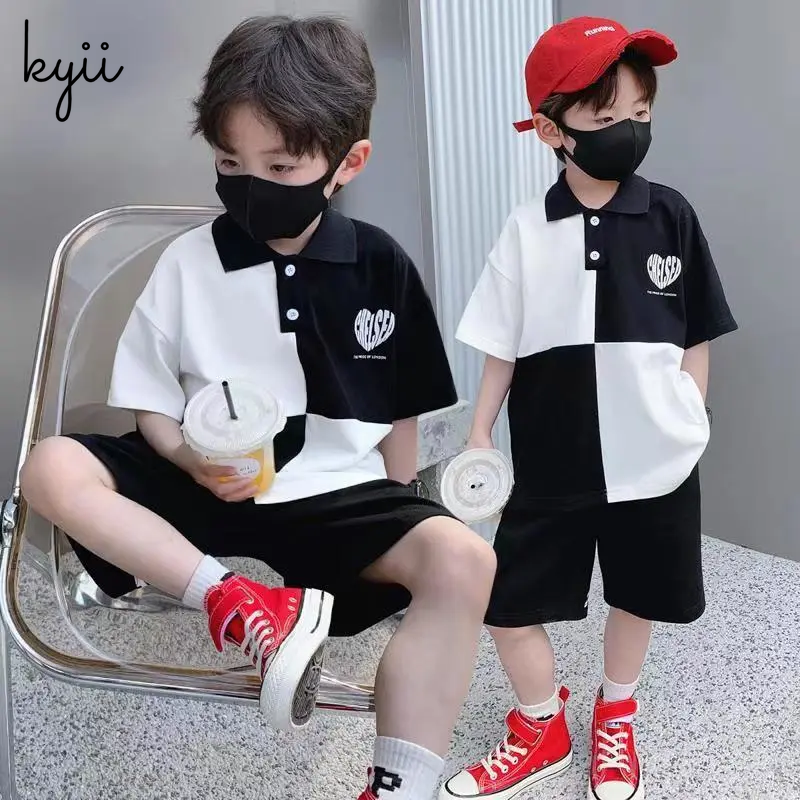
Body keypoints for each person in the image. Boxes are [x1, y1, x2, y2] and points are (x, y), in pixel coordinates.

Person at [20, 15, 497, 800]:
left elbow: (402, 411)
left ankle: (400, 785)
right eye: (229, 163)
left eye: (280, 166)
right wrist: (187, 458)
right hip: (200, 480)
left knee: (464, 559)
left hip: (335, 494)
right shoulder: (187, 263)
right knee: (51, 465)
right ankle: (239, 605)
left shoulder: (381, 263)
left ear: (347, 164)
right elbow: (150, 404)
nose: (251, 185)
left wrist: (401, 509)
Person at [441, 16, 737, 800]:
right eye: (606, 117)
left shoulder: (671, 214)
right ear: (552, 130)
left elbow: (697, 333)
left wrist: (692, 417)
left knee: (639, 593)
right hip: (552, 459)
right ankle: (542, 724)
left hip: (655, 457)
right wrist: (480, 430)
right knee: (507, 603)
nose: (629, 130)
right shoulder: (525, 229)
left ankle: (616, 713)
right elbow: (501, 344)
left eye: (640, 113)